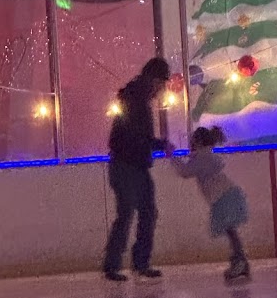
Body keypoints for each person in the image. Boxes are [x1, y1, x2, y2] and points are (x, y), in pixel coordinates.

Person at [103, 57, 172, 282]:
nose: (161, 89)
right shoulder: (135, 100)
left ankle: (138, 262)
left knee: (146, 212)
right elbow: (134, 136)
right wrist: (159, 145)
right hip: (126, 166)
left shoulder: (137, 98)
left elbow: (136, 137)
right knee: (128, 214)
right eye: (161, 83)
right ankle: (116, 264)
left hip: (135, 165)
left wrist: (156, 145)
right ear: (154, 79)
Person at [173, 126, 250, 281]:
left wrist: (172, 156)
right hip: (225, 195)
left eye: (193, 140)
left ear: (199, 141)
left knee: (230, 231)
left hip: (223, 197)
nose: (191, 143)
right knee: (230, 231)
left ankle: (240, 260)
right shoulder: (205, 155)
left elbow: (185, 172)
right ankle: (239, 259)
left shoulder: (203, 157)